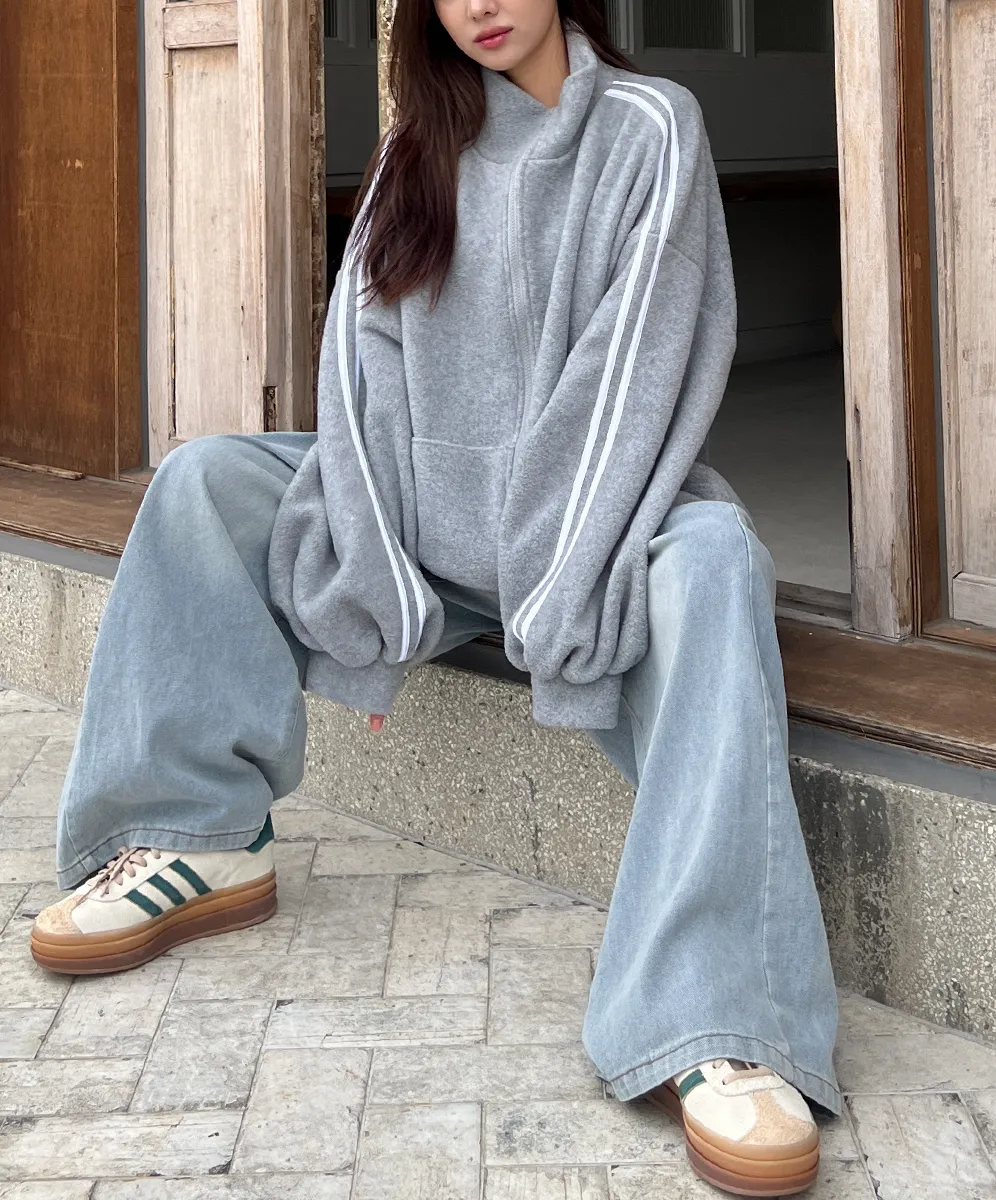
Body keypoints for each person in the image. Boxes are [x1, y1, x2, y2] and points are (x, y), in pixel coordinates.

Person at [31, 0, 841, 1192]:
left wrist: (557, 595)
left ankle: (717, 1016)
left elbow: (636, 376)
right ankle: (198, 836)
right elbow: (357, 375)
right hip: (421, 537)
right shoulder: (420, 149)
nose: (481, 5)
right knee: (207, 481)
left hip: (596, 531)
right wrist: (379, 598)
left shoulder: (649, 126)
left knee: (716, 563)